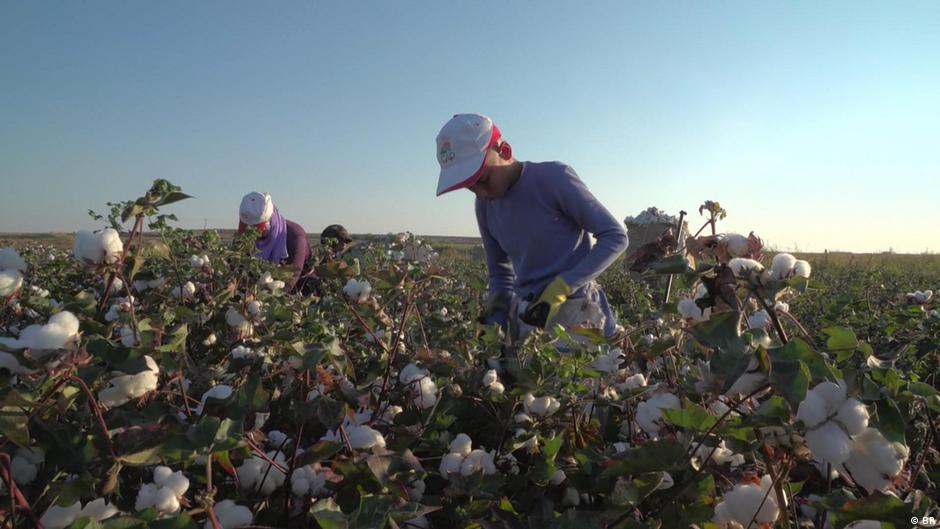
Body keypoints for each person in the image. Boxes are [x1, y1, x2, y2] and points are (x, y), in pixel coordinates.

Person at [435, 113, 628, 342]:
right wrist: (495, 320)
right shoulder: (485, 207)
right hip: (528, 315)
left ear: (504, 151)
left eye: (484, 180)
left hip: (578, 311)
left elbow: (615, 237)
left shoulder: (554, 179)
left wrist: (562, 286)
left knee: (582, 375)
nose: (481, 193)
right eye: (470, 187)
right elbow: (500, 273)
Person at [238, 192, 312, 294]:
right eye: (246, 228)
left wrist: (259, 297)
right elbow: (236, 269)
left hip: (297, 297)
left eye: (255, 229)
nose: (251, 234)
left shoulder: (295, 237)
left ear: (268, 224)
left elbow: (289, 281)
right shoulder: (246, 237)